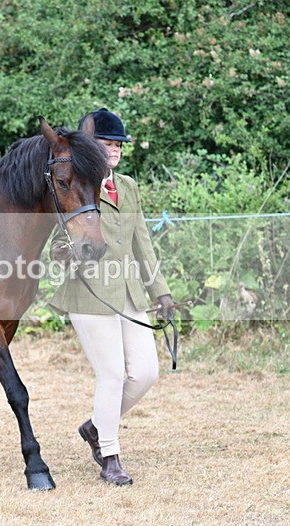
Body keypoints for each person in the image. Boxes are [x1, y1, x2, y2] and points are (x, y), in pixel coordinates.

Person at [49, 108, 175, 485]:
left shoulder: (130, 186)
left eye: (118, 144)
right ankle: (110, 456)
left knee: (146, 373)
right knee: (112, 375)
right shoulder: (76, 184)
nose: (115, 150)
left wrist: (162, 292)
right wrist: (66, 252)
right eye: (107, 143)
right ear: (91, 148)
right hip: (89, 292)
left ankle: (94, 427)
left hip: (129, 292)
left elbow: (143, 244)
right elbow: (58, 241)